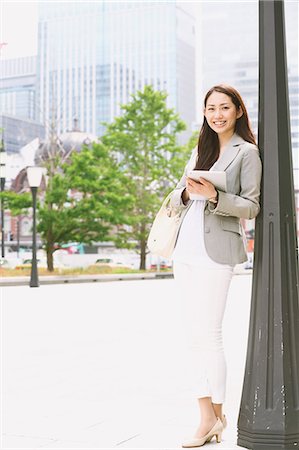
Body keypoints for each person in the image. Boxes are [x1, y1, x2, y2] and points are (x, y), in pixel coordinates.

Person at [170, 84, 262, 448]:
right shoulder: (201, 148)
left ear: (238, 111)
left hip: (217, 251)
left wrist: (215, 196)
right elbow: (178, 193)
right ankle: (207, 416)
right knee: (193, 336)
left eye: (225, 107)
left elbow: (251, 206)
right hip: (185, 248)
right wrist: (187, 190)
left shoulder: (248, 152)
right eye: (211, 108)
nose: (217, 114)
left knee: (210, 335)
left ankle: (217, 415)